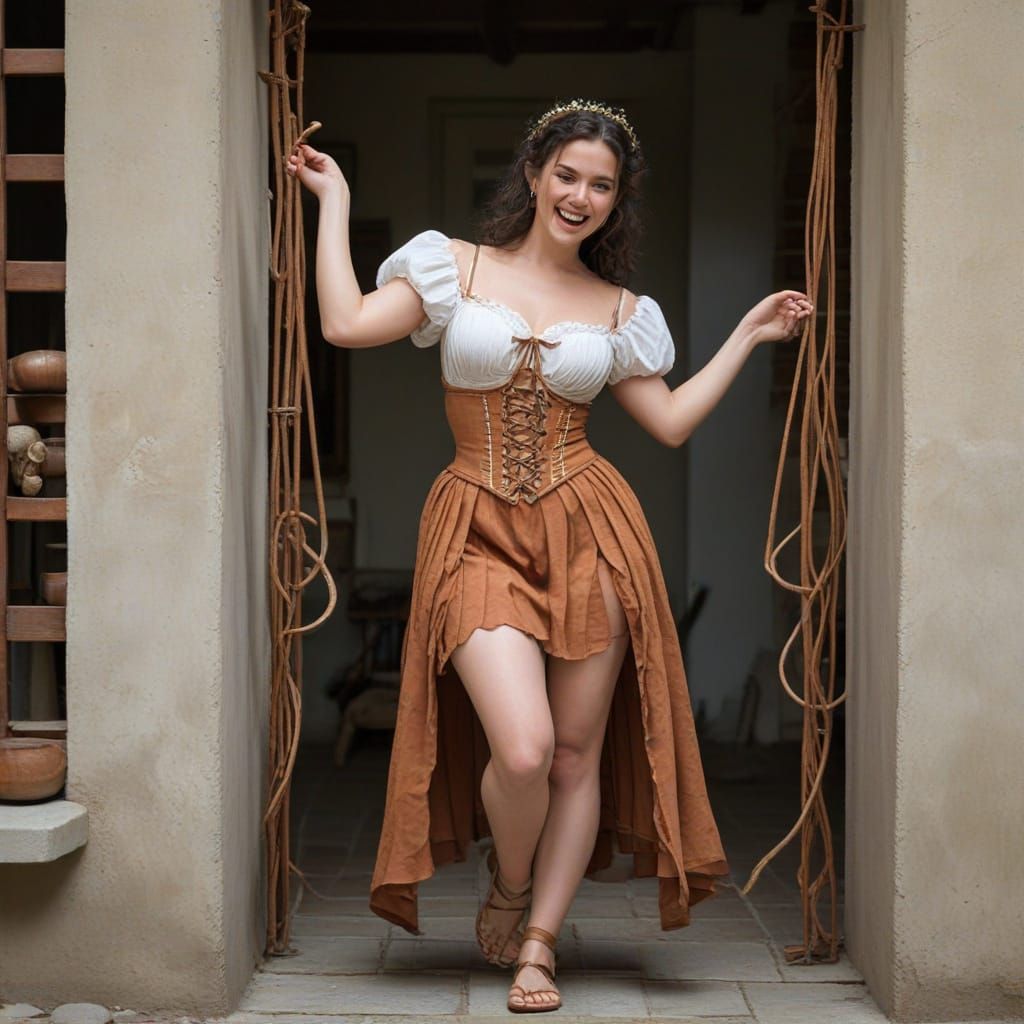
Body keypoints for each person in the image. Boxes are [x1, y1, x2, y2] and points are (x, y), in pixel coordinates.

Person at [287, 98, 813, 1014]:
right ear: (533, 173)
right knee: (523, 749)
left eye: (601, 186)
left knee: (573, 754)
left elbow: (672, 423)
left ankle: (538, 943)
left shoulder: (621, 310)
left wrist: (747, 335)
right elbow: (342, 323)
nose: (580, 195)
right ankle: (509, 880)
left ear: (616, 202)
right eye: (567, 174)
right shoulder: (453, 265)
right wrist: (334, 202)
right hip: (474, 523)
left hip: (591, 533)